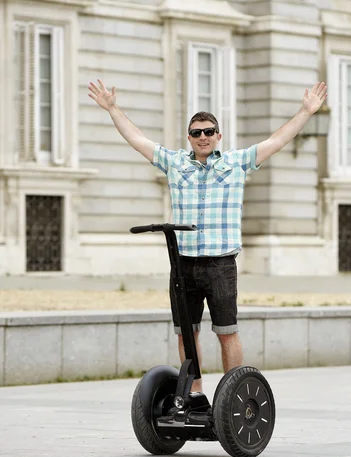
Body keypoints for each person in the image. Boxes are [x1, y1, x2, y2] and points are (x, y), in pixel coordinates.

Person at [88, 79, 327, 392]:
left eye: (209, 132)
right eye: (197, 133)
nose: (203, 137)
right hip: (184, 264)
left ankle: (234, 395)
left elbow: (276, 141)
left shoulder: (236, 163)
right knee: (186, 332)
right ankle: (195, 394)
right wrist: (112, 108)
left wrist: (306, 112)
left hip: (220, 264)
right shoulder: (174, 164)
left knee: (227, 331)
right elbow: (138, 139)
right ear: (189, 137)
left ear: (218, 136)